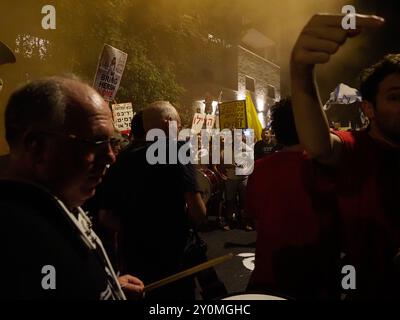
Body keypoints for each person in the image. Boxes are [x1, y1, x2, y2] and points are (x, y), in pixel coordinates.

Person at [0, 76, 144, 300]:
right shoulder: (17, 242)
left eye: (111, 142)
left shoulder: (53, 209)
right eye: (96, 143)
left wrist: (106, 286)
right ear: (37, 147)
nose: (110, 157)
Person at [291, 13, 400, 299]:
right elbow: (319, 146)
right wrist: (301, 71)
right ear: (368, 109)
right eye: (395, 97)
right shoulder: (355, 147)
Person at [96, 101, 207, 300]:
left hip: (134, 266)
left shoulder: (123, 158)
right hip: (174, 263)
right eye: (179, 124)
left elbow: (105, 215)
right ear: (168, 123)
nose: (180, 129)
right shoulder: (177, 150)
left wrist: (137, 230)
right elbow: (198, 213)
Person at [246, 98, 339, 299]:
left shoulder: (259, 170)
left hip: (268, 276)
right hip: (317, 279)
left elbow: (257, 221)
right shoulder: (326, 168)